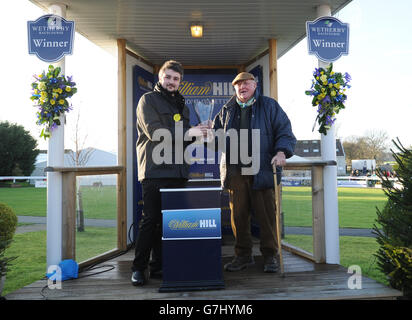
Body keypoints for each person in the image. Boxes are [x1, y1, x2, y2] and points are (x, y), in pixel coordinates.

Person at [131, 60, 208, 286]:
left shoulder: (182, 105)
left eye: (176, 79)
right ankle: (138, 268)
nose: (172, 82)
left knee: (170, 222)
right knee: (151, 220)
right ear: (160, 78)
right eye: (168, 77)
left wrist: (201, 133)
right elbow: (156, 133)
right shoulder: (147, 100)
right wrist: (190, 131)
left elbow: (183, 138)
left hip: (178, 171)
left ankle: (159, 267)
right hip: (155, 170)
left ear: (180, 81)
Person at [211, 72, 296, 273]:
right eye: (238, 84)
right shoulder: (226, 110)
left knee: (267, 218)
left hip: (263, 170)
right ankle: (243, 256)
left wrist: (282, 151)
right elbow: (217, 141)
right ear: (235, 88)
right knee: (238, 218)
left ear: (255, 85)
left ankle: (270, 257)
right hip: (236, 172)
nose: (242, 87)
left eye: (247, 83)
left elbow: (284, 131)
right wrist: (208, 135)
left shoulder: (269, 106)